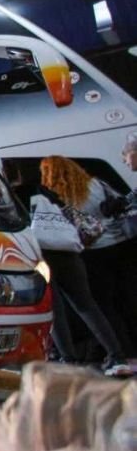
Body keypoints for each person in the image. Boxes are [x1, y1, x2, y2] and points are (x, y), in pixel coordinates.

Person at [7, 161, 132, 378]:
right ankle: (117, 357)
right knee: (86, 305)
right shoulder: (46, 191)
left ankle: (69, 361)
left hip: (40, 255)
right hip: (68, 252)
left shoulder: (8, 199)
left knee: (55, 309)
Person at [41, 155, 137, 371]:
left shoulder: (57, 196)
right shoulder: (96, 184)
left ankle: (123, 353)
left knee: (103, 305)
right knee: (128, 298)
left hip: (93, 251)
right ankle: (124, 352)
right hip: (121, 244)